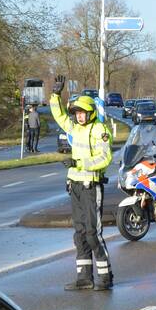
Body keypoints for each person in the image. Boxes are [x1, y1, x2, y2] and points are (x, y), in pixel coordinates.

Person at [49, 75, 114, 291]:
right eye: (76, 113)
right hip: (75, 186)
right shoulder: (75, 128)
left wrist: (79, 162)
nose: (79, 116)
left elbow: (105, 158)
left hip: (91, 186)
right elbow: (59, 116)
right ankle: (84, 278)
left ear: (91, 113)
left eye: (82, 112)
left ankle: (105, 277)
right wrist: (55, 95)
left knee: (92, 233)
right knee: (79, 233)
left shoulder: (100, 130)